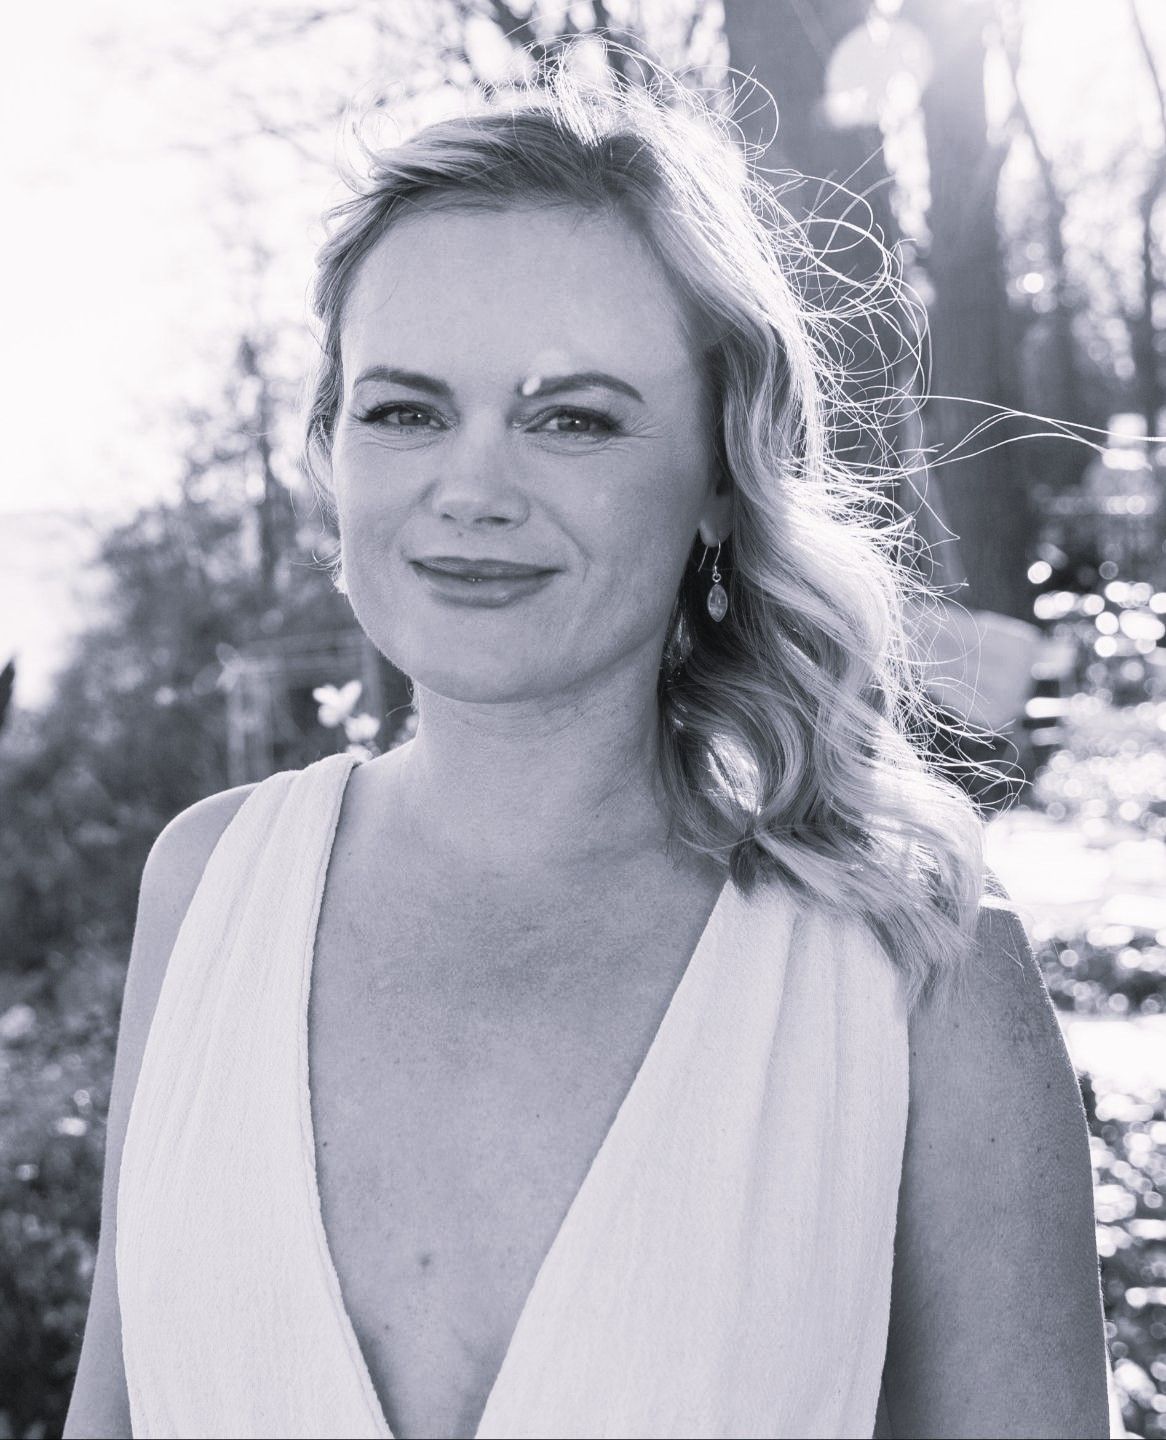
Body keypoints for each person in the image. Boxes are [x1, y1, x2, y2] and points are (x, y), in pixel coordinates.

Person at [64, 47, 1114, 1440]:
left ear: (721, 480)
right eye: (405, 409)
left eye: (573, 418)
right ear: (333, 451)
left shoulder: (921, 970)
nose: (472, 488)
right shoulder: (207, 890)